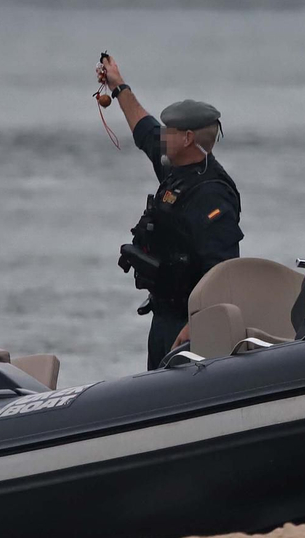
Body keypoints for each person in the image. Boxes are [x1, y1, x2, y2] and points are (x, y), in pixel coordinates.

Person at [96, 54, 243, 369]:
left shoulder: (212, 195)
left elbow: (223, 271)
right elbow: (143, 128)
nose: (161, 136)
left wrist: (195, 328)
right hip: (163, 318)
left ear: (187, 138)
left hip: (191, 327)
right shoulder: (175, 168)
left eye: (169, 131)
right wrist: (118, 86)